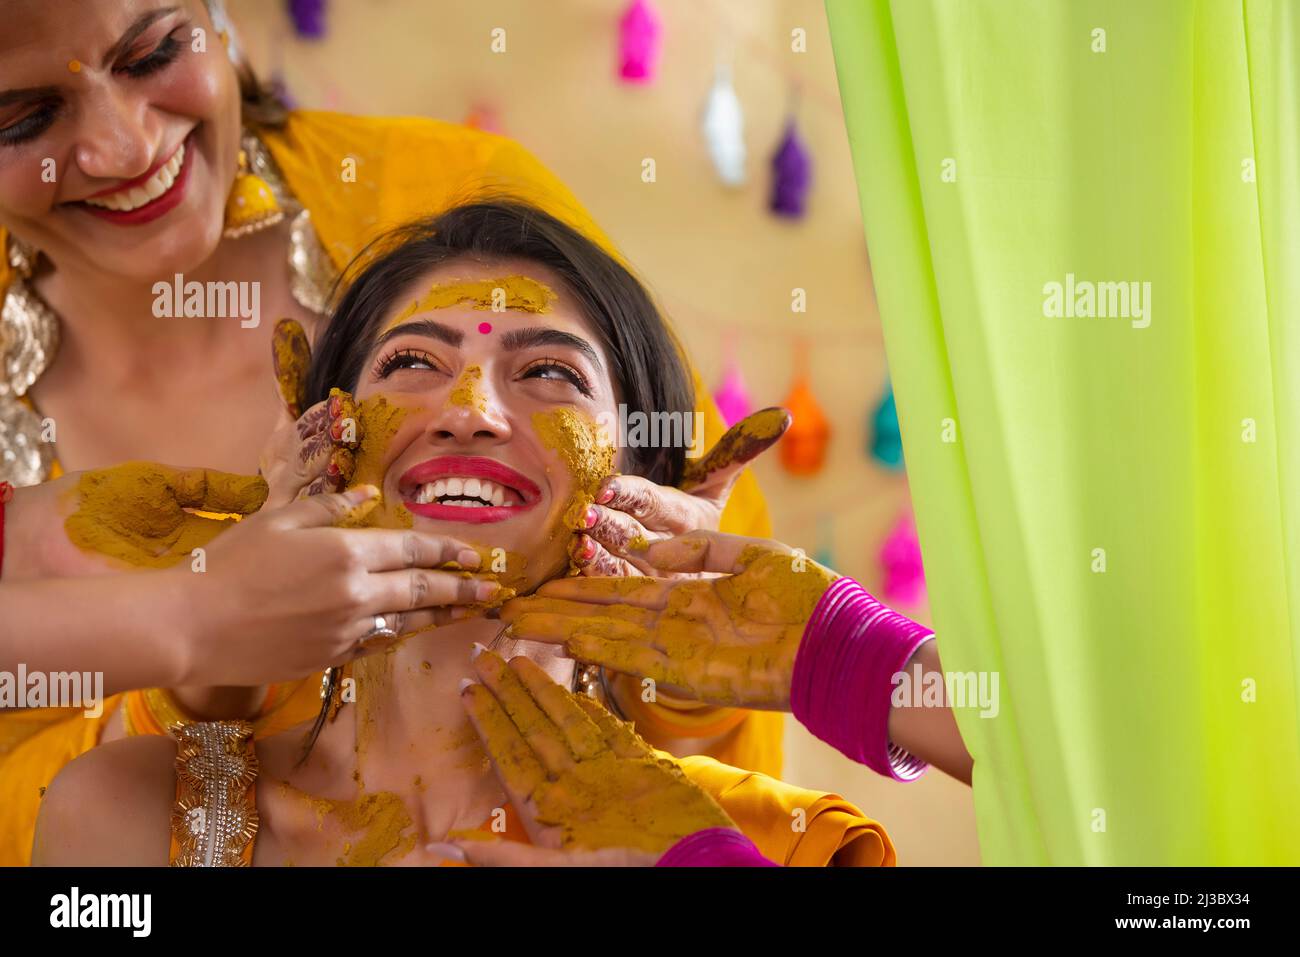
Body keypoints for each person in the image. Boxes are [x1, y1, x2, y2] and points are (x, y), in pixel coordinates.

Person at [0, 0, 778, 863]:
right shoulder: (113, 814)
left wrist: (677, 661)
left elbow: (734, 650)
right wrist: (205, 676)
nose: (126, 148)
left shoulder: (454, 195)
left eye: (151, 55)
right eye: (23, 119)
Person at [32, 202, 893, 867]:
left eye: (549, 372)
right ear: (318, 440)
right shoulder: (131, 815)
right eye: (412, 364)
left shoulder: (767, 841)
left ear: (648, 485)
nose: (470, 413)